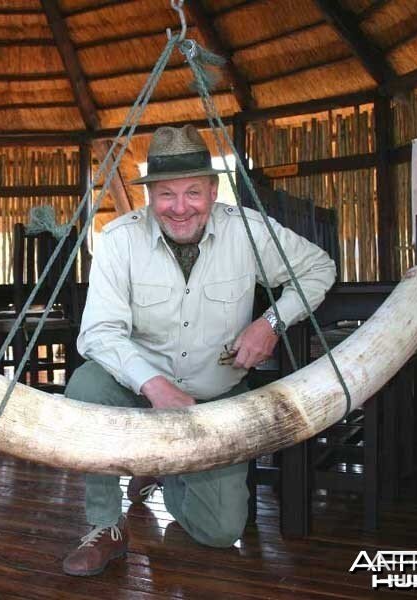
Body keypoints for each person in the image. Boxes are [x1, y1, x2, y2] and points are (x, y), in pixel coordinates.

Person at [62, 124, 336, 577]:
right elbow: (98, 332)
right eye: (167, 195)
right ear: (150, 196)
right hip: (141, 393)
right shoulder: (118, 239)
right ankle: (106, 525)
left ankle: (165, 469)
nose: (181, 208)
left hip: (216, 399)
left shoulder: (248, 230)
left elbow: (318, 269)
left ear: (213, 191)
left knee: (221, 531)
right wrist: (154, 386)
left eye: (193, 193)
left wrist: (270, 323)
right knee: (86, 383)